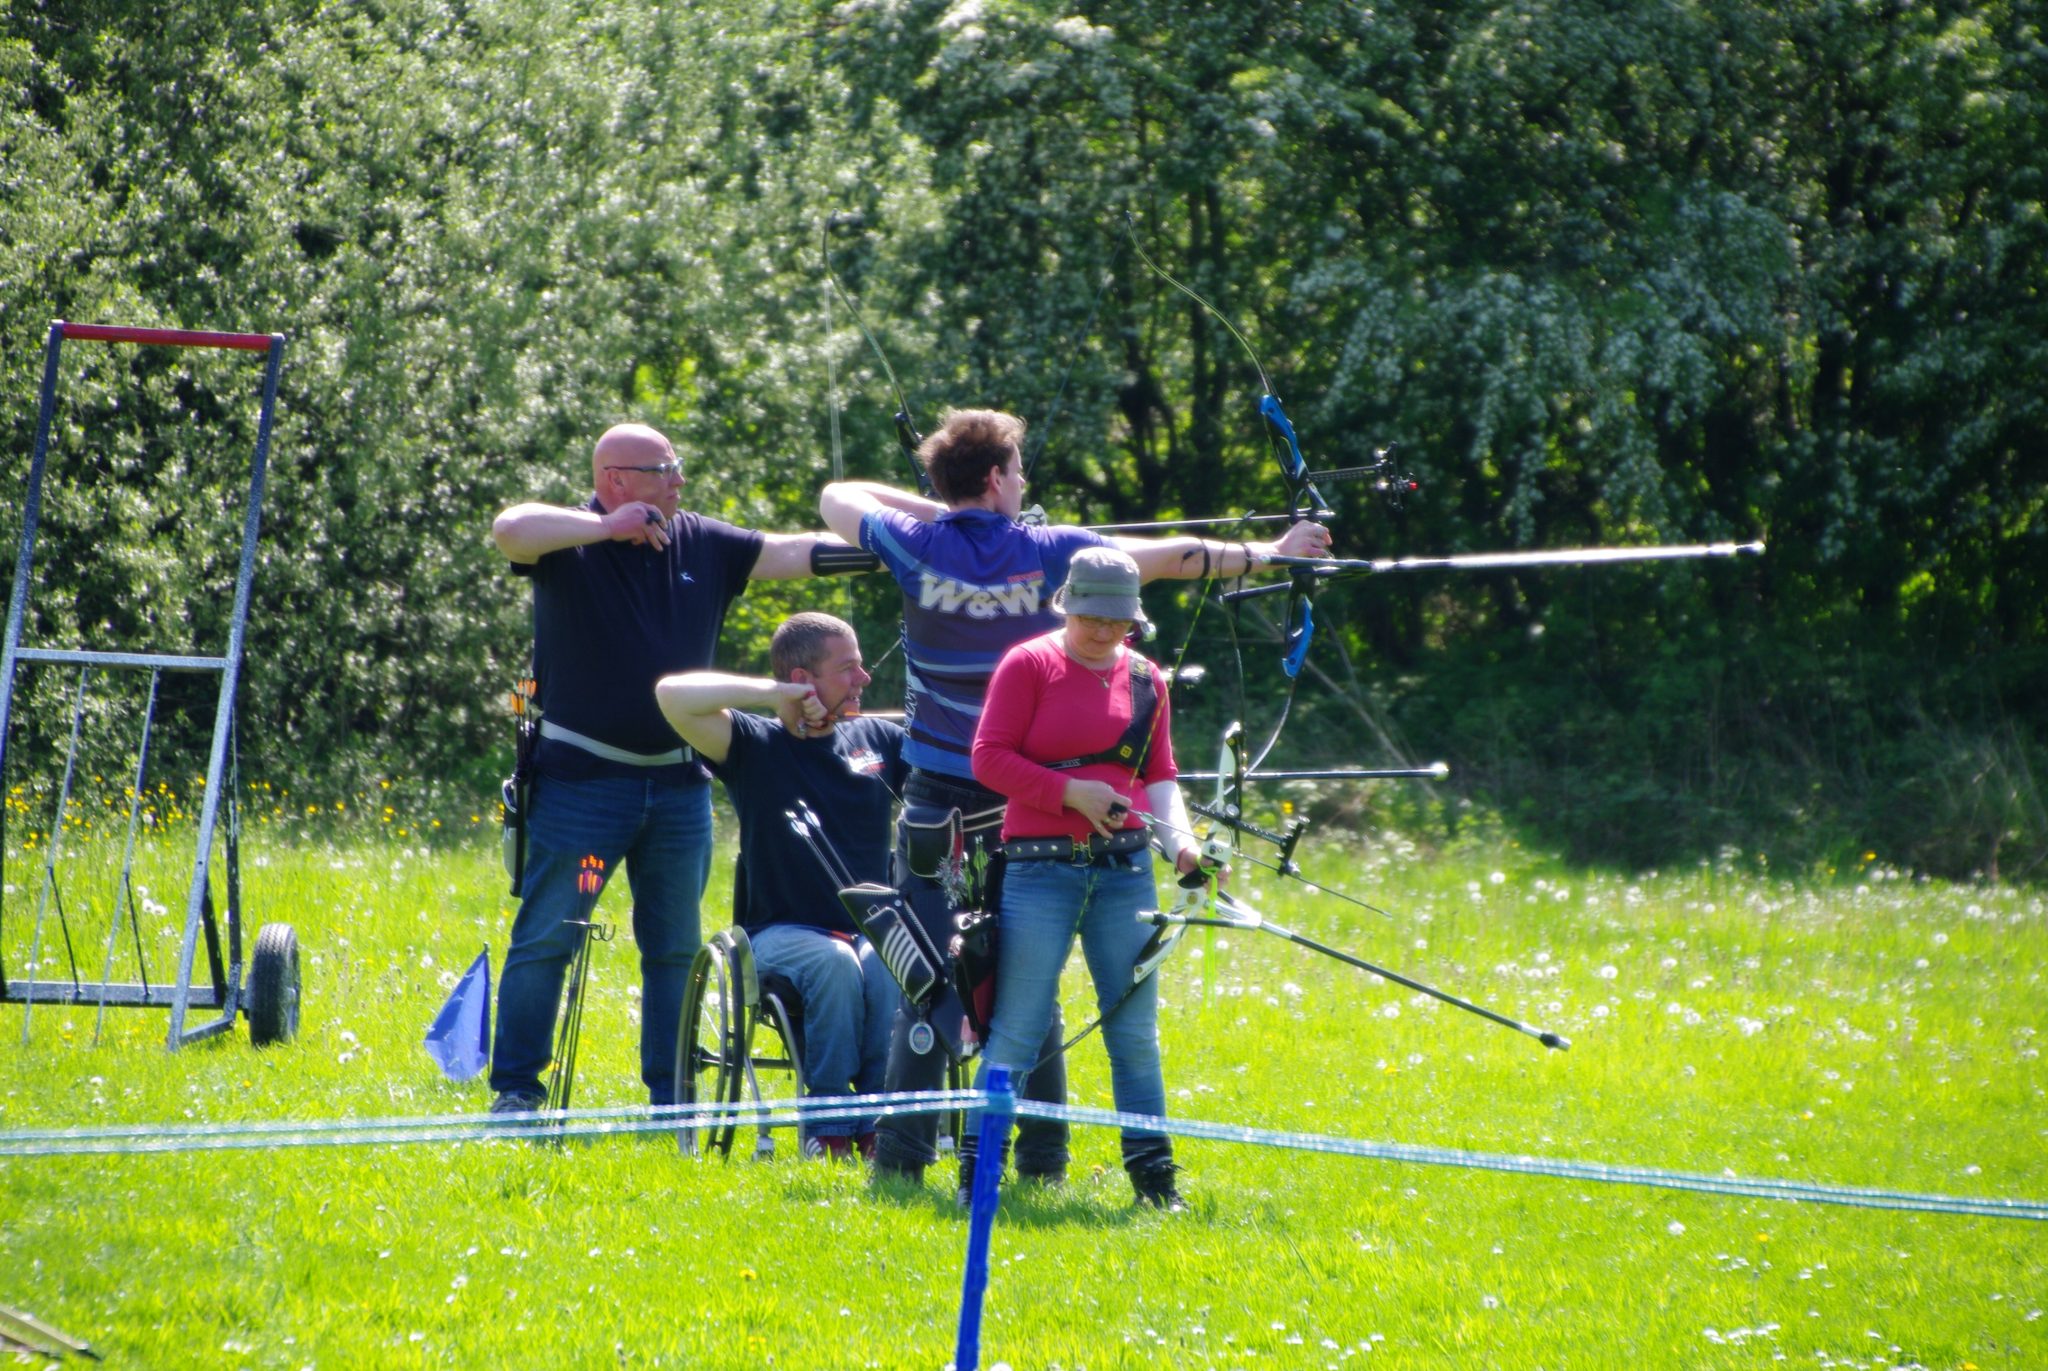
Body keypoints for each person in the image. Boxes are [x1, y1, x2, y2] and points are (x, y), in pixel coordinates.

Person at [819, 408, 1330, 1187]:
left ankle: (903, 1163)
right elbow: (1165, 559)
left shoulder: (912, 545)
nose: (1025, 487)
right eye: (1017, 474)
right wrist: (1271, 552)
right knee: (1027, 978)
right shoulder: (1053, 550)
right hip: (1026, 803)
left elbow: (836, 495)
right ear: (996, 478)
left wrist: (947, 512)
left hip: (939, 802)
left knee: (926, 975)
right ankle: (1041, 1164)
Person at [489, 423, 869, 1113]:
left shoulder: (699, 539)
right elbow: (510, 528)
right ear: (615, 480)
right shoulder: (566, 542)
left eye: (677, 467)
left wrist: (895, 551)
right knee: (548, 939)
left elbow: (793, 552)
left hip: (676, 789)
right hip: (580, 785)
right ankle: (516, 1092)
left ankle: (674, 1100)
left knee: (673, 952)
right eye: (663, 468)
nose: (679, 480)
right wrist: (605, 529)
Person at [970, 547, 1204, 1209]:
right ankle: (977, 1175)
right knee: (1016, 1028)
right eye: (1091, 616)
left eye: (1117, 620)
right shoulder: (1030, 664)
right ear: (1067, 604)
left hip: (1127, 871)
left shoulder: (1148, 678)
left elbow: (1159, 775)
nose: (1103, 631)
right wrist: (1071, 793)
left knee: (1132, 1031)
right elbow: (988, 758)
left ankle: (1156, 1185)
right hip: (1039, 870)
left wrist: (1181, 846)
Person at [654, 612, 906, 1158]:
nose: (863, 679)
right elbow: (671, 694)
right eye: (848, 669)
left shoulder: (880, 739)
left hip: (867, 931)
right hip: (777, 933)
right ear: (803, 678)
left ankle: (881, 1122)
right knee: (835, 964)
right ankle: (829, 1123)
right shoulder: (753, 743)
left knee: (891, 961)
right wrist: (775, 694)